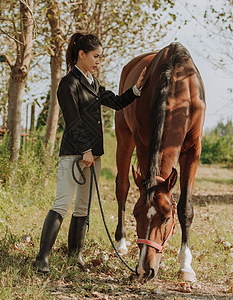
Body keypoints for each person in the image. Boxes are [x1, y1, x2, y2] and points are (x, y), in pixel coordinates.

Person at [33, 33, 147, 273]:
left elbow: (116, 102)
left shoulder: (93, 83)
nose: (98, 61)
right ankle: (42, 258)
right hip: (74, 154)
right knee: (62, 204)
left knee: (83, 208)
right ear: (81, 54)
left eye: (100, 57)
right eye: (95, 56)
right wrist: (85, 150)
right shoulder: (69, 83)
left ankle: (75, 257)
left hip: (92, 156)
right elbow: (73, 122)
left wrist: (136, 90)